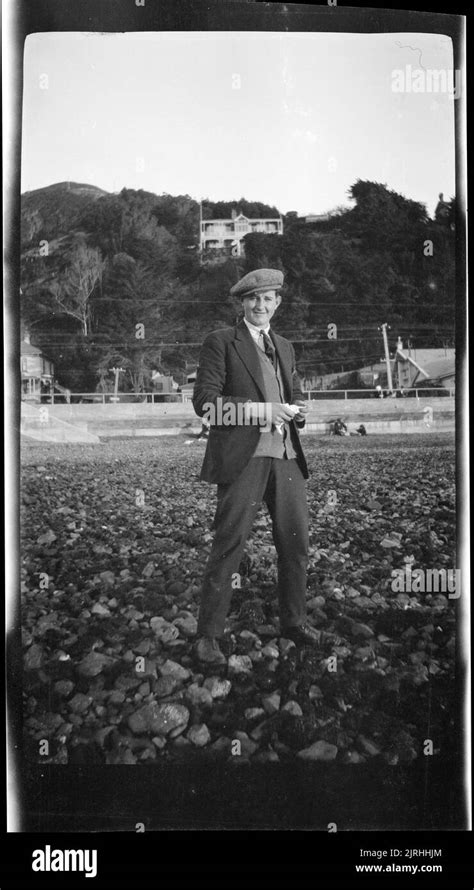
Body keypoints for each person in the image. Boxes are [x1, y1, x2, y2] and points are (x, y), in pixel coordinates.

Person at [192, 268, 318, 664]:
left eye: (267, 299)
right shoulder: (220, 342)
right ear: (242, 304)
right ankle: (208, 635)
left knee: (295, 544)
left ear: (277, 303)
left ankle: (293, 622)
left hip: (287, 458)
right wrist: (264, 410)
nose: (260, 305)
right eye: (253, 299)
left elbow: (292, 393)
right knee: (229, 545)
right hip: (243, 459)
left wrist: (297, 413)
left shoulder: (285, 345)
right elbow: (206, 403)